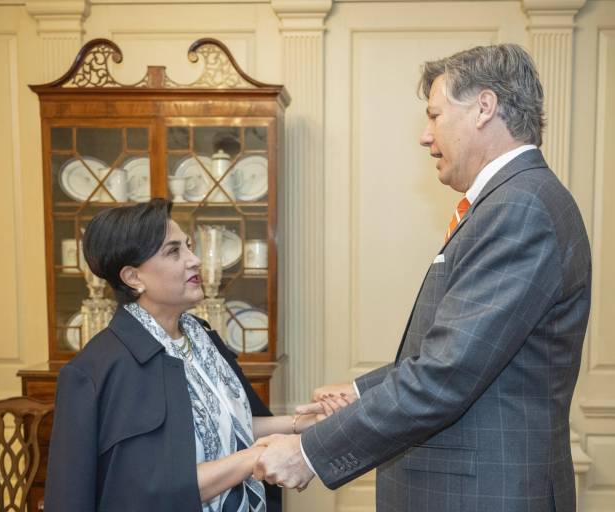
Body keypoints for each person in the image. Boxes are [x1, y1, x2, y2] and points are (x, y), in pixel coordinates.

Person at [253, 44, 592, 512]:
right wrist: (359, 393)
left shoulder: (519, 208)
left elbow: (446, 374)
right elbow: (463, 353)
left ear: (484, 108)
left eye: (434, 116)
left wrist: (310, 452)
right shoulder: (510, 200)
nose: (425, 136)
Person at [44, 198, 322, 512]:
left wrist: (303, 424)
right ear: (134, 278)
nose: (195, 260)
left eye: (188, 246)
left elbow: (231, 424)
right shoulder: (100, 370)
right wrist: (255, 457)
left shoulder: (202, 337)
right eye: (174, 251)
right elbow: (152, 490)